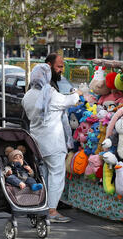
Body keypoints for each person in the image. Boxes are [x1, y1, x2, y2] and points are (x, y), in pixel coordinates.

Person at [22, 64, 82, 223]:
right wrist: (78, 93)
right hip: (53, 142)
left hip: (36, 142)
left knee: (43, 175)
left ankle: (42, 205)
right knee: (56, 175)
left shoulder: (27, 95)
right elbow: (69, 101)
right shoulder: (50, 93)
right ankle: (52, 211)